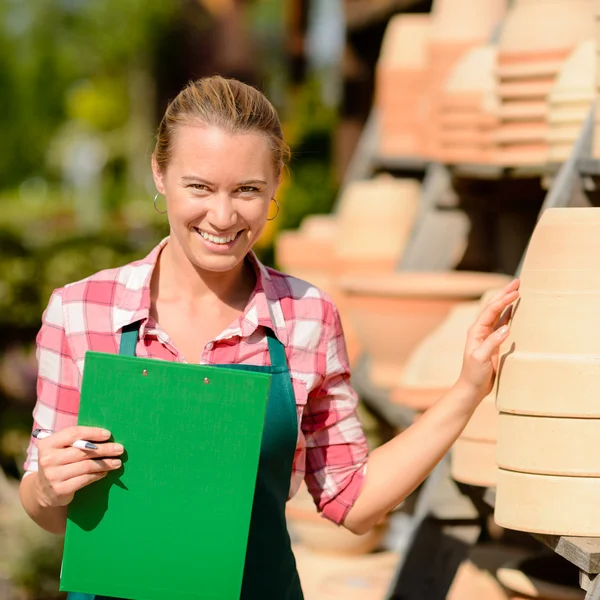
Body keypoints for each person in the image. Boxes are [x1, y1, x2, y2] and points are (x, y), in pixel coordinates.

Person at [20, 76, 519, 599]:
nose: (222, 215)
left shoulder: (306, 316)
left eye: (247, 190)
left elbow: (353, 500)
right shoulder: (80, 312)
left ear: (275, 183)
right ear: (159, 173)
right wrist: (49, 485)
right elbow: (50, 514)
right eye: (200, 187)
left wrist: (466, 391)